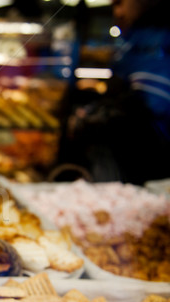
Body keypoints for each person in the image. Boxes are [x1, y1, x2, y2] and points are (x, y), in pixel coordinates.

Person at [58, 0, 170, 184]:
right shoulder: (135, 39)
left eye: (120, 3)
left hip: (145, 168)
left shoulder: (157, 42)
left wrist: (90, 118)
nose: (117, 12)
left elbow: (149, 108)